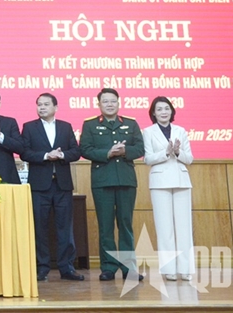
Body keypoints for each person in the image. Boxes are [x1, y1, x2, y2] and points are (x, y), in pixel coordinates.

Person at [79, 88, 144, 282]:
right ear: (98, 104)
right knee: (105, 226)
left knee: (125, 224)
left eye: (113, 101)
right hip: (102, 181)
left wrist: (124, 151)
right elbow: (85, 149)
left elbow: (140, 148)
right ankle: (108, 267)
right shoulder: (90, 124)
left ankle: (128, 268)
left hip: (126, 179)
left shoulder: (131, 123)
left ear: (118, 103)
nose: (109, 104)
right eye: (105, 101)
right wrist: (107, 153)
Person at [20, 93, 84, 282]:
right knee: (40, 228)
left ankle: (67, 268)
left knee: (65, 228)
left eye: (46, 104)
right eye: (39, 104)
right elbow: (24, 153)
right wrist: (46, 156)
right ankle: (42, 268)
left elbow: (76, 152)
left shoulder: (65, 127)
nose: (42, 107)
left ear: (55, 107)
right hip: (40, 186)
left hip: (62, 185)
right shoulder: (29, 127)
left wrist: (62, 155)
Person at [143, 96, 195, 282]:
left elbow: (189, 159)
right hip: (159, 182)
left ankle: (186, 269)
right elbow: (147, 159)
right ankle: (169, 269)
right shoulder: (147, 132)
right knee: (164, 228)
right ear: (153, 113)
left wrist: (178, 152)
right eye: (159, 109)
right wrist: (165, 152)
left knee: (184, 227)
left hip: (181, 180)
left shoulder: (180, 130)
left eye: (166, 108)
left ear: (172, 111)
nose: (163, 112)